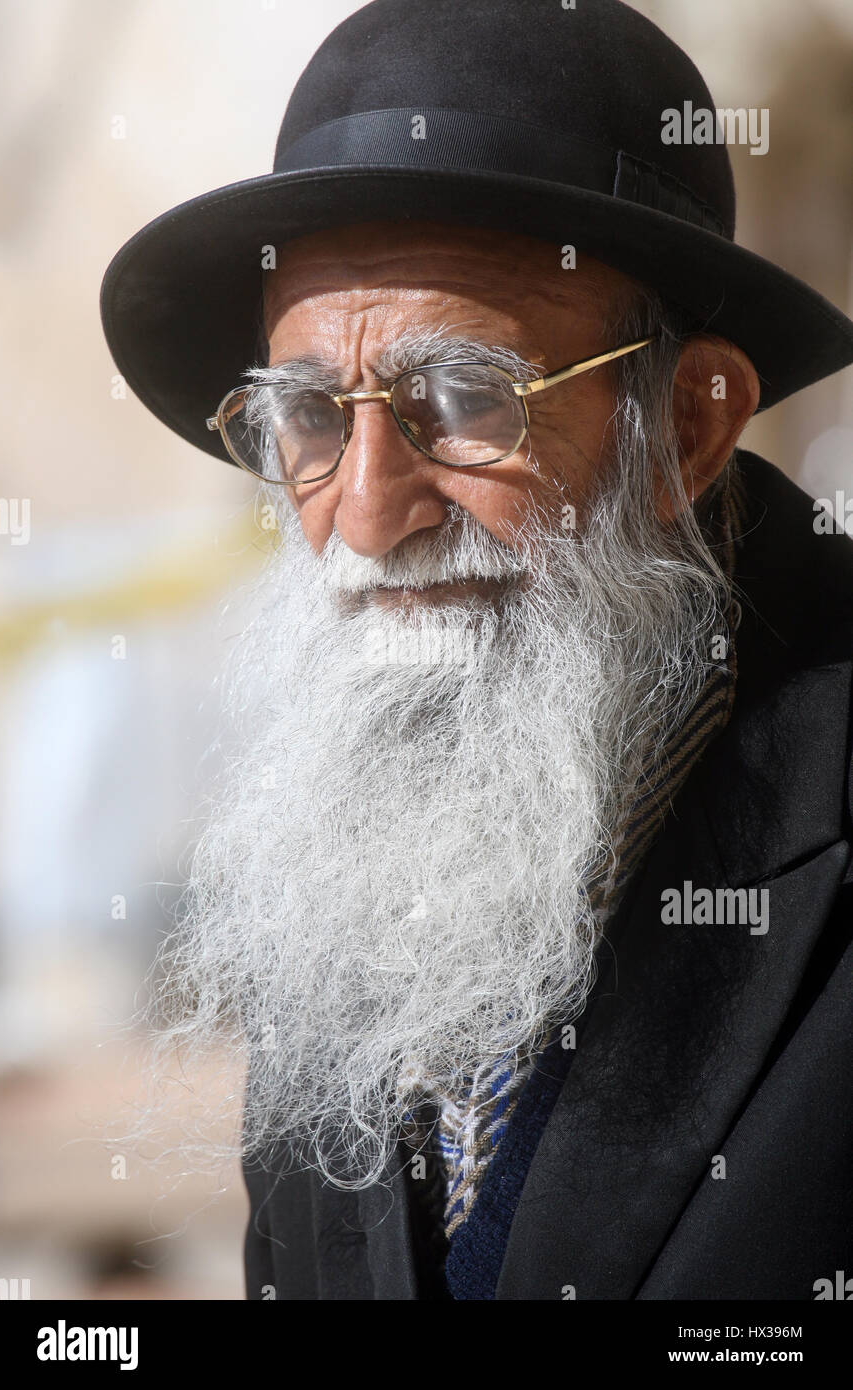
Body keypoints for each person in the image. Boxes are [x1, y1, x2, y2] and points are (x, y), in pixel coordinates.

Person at [100, 0, 853, 1300]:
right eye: (307, 419)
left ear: (683, 426)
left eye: (464, 399)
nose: (370, 514)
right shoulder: (335, 843)